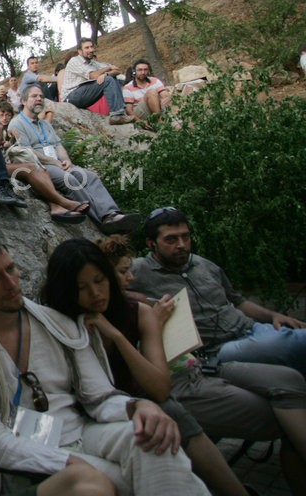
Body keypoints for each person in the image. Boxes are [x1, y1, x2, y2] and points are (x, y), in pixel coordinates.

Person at [0, 233, 209, 496]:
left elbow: (99, 396)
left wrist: (139, 406)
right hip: (25, 460)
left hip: (81, 431)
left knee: (153, 441)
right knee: (123, 481)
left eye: (11, 269)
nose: (11, 283)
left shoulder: (56, 322)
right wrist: (63, 461)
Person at [41, 238, 253, 496]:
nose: (96, 294)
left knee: (167, 408)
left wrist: (117, 337)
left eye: (99, 280)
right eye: (82, 287)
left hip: (137, 403)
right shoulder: (59, 324)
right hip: (88, 419)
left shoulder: (138, 312)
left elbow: (160, 387)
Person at [100, 235, 306, 496]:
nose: (130, 277)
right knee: (284, 412)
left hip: (204, 364)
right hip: (186, 378)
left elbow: (236, 299)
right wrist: (156, 323)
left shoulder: (194, 270)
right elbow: (152, 382)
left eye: (185, 236)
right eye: (123, 272)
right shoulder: (118, 315)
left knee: (291, 381)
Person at [129, 207, 306, 377]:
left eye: (186, 237)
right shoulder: (138, 270)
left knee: (296, 340)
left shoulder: (203, 264)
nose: (182, 245)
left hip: (252, 329)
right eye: (171, 240)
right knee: (294, 341)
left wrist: (274, 315)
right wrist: (140, 298)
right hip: (218, 349)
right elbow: (108, 285)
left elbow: (238, 301)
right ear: (151, 244)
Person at [8, 85, 141, 234]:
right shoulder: (17, 123)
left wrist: (67, 161)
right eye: (34, 96)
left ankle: (111, 214)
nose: (39, 99)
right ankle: (102, 221)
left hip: (58, 163)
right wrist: (55, 162)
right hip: (39, 166)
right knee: (69, 179)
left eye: (41, 96)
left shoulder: (45, 123)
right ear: (24, 101)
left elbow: (58, 145)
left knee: (90, 177)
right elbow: (27, 152)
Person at [0, 82, 87, 224]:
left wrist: (8, 140)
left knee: (40, 169)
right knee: (29, 168)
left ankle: (55, 206)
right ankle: (62, 202)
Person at [61, 39, 133, 125]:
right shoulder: (74, 61)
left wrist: (106, 74)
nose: (91, 50)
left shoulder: (93, 63)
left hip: (83, 94)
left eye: (91, 47)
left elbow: (117, 70)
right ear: (80, 51)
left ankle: (121, 112)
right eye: (87, 48)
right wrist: (107, 69)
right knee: (108, 80)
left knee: (114, 79)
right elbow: (93, 76)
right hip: (71, 97)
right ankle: (117, 115)